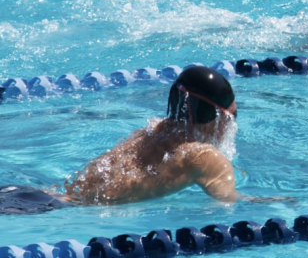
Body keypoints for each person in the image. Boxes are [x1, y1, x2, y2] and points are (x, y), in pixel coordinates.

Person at [1, 66, 270, 215]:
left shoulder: (152, 130)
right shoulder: (205, 158)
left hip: (39, 195)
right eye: (232, 117)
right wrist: (277, 202)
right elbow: (229, 203)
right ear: (220, 118)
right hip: (54, 212)